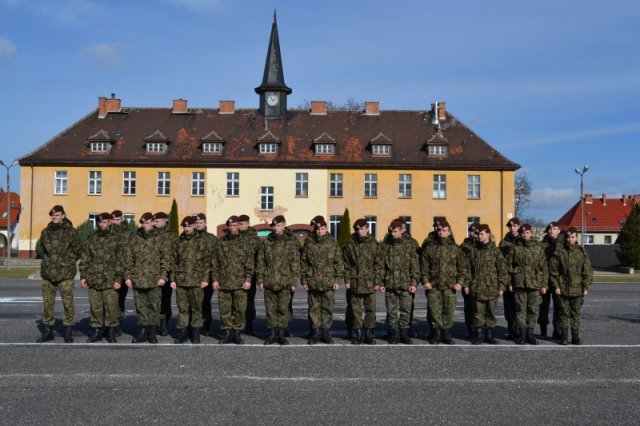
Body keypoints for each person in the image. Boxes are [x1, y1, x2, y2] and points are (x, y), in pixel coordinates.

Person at [36, 205, 82, 343]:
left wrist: (67, 261)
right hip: (48, 273)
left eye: (57, 214)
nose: (54, 217)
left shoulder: (71, 232)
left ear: (63, 215)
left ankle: (68, 330)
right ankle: (48, 331)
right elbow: (40, 248)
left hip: (65, 273)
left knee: (68, 303)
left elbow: (78, 250)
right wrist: (48, 260)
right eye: (52, 215)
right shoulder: (46, 232)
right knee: (47, 303)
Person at [124, 212, 169, 344]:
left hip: (155, 280)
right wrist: (127, 276)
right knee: (141, 307)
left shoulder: (160, 239)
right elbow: (129, 259)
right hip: (138, 279)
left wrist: (163, 277)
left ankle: (152, 332)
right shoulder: (134, 238)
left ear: (153, 222)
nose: (144, 225)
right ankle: (143, 331)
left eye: (147, 223)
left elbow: (166, 260)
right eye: (142, 223)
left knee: (154, 307)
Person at [80, 212, 125, 343]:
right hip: (94, 279)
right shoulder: (92, 238)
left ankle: (111, 331)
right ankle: (97, 331)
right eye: (100, 222)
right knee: (95, 307)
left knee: (111, 307)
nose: (101, 224)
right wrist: (83, 276)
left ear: (110, 222)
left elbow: (121, 260)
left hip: (110, 279)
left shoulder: (117, 238)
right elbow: (85, 258)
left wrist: (118, 279)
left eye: (104, 222)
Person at [421, 219, 467, 344]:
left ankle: (446, 334)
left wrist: (460, 282)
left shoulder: (455, 249)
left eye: (444, 230)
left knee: (449, 310)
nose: (442, 232)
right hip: (433, 285)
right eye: (440, 230)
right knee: (434, 310)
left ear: (449, 231)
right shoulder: (430, 248)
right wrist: (425, 281)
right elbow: (423, 267)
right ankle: (436, 334)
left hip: (450, 286)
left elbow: (463, 268)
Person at [256, 215, 300, 345]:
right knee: (270, 309)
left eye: (279, 225)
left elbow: (295, 263)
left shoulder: (290, 242)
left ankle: (281, 333)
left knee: (283, 309)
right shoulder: (267, 242)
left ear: (284, 225)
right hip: (269, 281)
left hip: (285, 282)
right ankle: (272, 333)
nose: (276, 228)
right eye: (274, 226)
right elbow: (261, 262)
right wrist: (260, 280)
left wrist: (294, 281)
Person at [300, 216, 344, 344]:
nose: (320, 231)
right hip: (313, 281)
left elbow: (338, 262)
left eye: (322, 229)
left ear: (326, 229)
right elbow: (304, 263)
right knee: (313, 308)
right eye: (318, 229)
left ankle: (325, 333)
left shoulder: (332, 242)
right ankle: (315, 332)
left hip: (328, 281)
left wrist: (337, 280)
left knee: (327, 308)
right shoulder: (309, 242)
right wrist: (304, 280)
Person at [170, 216, 211, 344]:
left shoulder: (202, 242)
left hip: (197, 281)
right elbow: (173, 262)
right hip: (181, 281)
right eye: (185, 227)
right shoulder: (178, 242)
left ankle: (195, 333)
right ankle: (182, 333)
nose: (187, 229)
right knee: (182, 309)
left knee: (196, 309)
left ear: (194, 226)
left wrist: (205, 279)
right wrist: (172, 279)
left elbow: (207, 262)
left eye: (189, 226)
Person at [212, 216, 254, 344]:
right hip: (224, 282)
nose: (232, 228)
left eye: (235, 225)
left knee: (239, 309)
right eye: (230, 226)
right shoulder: (221, 241)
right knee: (225, 309)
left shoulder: (245, 242)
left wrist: (248, 279)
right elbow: (215, 262)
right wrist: (215, 279)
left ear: (238, 226)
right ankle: (227, 333)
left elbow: (249, 263)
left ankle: (237, 333)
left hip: (240, 282)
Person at [464, 224, 508, 344]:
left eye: (482, 234)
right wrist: (467, 284)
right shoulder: (474, 251)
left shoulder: (495, 251)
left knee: (490, 312)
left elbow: (502, 270)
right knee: (477, 312)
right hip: (477, 287)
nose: (479, 236)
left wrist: (501, 286)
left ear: (488, 234)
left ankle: (489, 335)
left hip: (491, 287)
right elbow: (468, 269)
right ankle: (478, 335)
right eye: (478, 234)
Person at [549, 227, 593, 345]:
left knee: (575, 314)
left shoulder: (581, 252)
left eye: (572, 237)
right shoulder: (559, 252)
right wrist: (556, 286)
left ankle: (575, 337)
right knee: (563, 314)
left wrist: (586, 287)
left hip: (577, 289)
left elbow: (587, 271)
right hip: (563, 289)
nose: (569, 239)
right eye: (568, 237)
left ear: (576, 238)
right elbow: (553, 271)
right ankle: (563, 337)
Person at [342, 218, 383, 344]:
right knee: (356, 310)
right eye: (357, 229)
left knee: (371, 309)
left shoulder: (374, 244)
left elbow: (379, 265)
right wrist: (347, 280)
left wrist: (378, 282)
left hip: (370, 283)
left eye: (362, 229)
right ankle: (357, 333)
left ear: (367, 229)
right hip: (355, 282)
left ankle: (369, 333)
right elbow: (346, 263)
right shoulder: (350, 243)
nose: (359, 231)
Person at [507, 223, 548, 345]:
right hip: (519, 283)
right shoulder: (515, 248)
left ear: (531, 233)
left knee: (533, 309)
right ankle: (522, 334)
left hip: (535, 283)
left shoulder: (538, 248)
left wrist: (544, 284)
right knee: (520, 309)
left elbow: (544, 268)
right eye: (523, 233)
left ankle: (530, 333)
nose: (525, 235)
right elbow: (508, 266)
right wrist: (510, 282)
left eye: (527, 232)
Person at [380, 219, 420, 344]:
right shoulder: (386, 246)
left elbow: (414, 266)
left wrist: (414, 283)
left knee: (405, 310)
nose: (393, 234)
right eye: (392, 231)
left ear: (402, 230)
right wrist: (381, 283)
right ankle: (394, 333)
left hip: (405, 284)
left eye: (395, 231)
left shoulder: (409, 246)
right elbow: (381, 266)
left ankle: (404, 333)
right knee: (391, 311)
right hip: (390, 283)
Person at [539, 221, 564, 340]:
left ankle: (557, 330)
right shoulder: (542, 245)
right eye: (550, 229)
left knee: (558, 306)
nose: (552, 231)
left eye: (554, 228)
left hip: (558, 280)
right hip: (544, 280)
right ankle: (543, 331)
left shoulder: (563, 245)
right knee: (543, 306)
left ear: (559, 230)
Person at [193, 213, 218, 337]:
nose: (198, 225)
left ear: (205, 223)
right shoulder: (189, 237)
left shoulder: (211, 239)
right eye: (196, 223)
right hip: (192, 277)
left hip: (207, 277)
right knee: (193, 303)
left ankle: (206, 325)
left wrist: (214, 278)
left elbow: (215, 259)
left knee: (205, 303)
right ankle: (193, 326)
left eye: (200, 222)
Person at [110, 210, 134, 336]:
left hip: (123, 271)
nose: (115, 222)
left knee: (120, 300)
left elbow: (132, 253)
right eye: (113, 220)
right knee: (109, 300)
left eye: (117, 220)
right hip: (109, 272)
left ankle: (118, 324)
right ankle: (110, 325)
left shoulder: (128, 234)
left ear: (122, 219)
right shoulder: (108, 233)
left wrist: (128, 274)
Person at [154, 211, 178, 337]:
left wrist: (173, 276)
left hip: (167, 274)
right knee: (152, 301)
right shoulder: (150, 234)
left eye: (157, 221)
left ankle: (163, 325)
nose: (154, 223)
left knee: (165, 301)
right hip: (151, 274)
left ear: (164, 221)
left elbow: (175, 257)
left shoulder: (172, 236)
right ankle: (152, 325)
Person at [238, 213, 261, 336]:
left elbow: (259, 258)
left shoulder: (255, 239)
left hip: (250, 276)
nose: (239, 226)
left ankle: (249, 325)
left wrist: (257, 276)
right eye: (238, 224)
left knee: (249, 302)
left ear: (247, 224)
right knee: (237, 302)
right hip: (236, 276)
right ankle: (238, 325)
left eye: (241, 224)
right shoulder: (235, 237)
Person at [499, 217, 521, 339]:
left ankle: (519, 330)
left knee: (520, 306)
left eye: (514, 226)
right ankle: (510, 329)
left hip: (520, 279)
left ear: (518, 226)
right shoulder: (503, 243)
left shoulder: (522, 241)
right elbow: (502, 264)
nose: (512, 229)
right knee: (509, 306)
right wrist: (506, 281)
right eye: (510, 226)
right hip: (507, 278)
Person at [460, 222, 480, 339]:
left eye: (476, 231)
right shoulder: (464, 246)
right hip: (468, 281)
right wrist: (465, 283)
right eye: (471, 231)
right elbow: (463, 266)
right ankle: (470, 329)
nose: (474, 234)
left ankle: (480, 330)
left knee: (480, 307)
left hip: (481, 282)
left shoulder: (483, 245)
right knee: (469, 307)